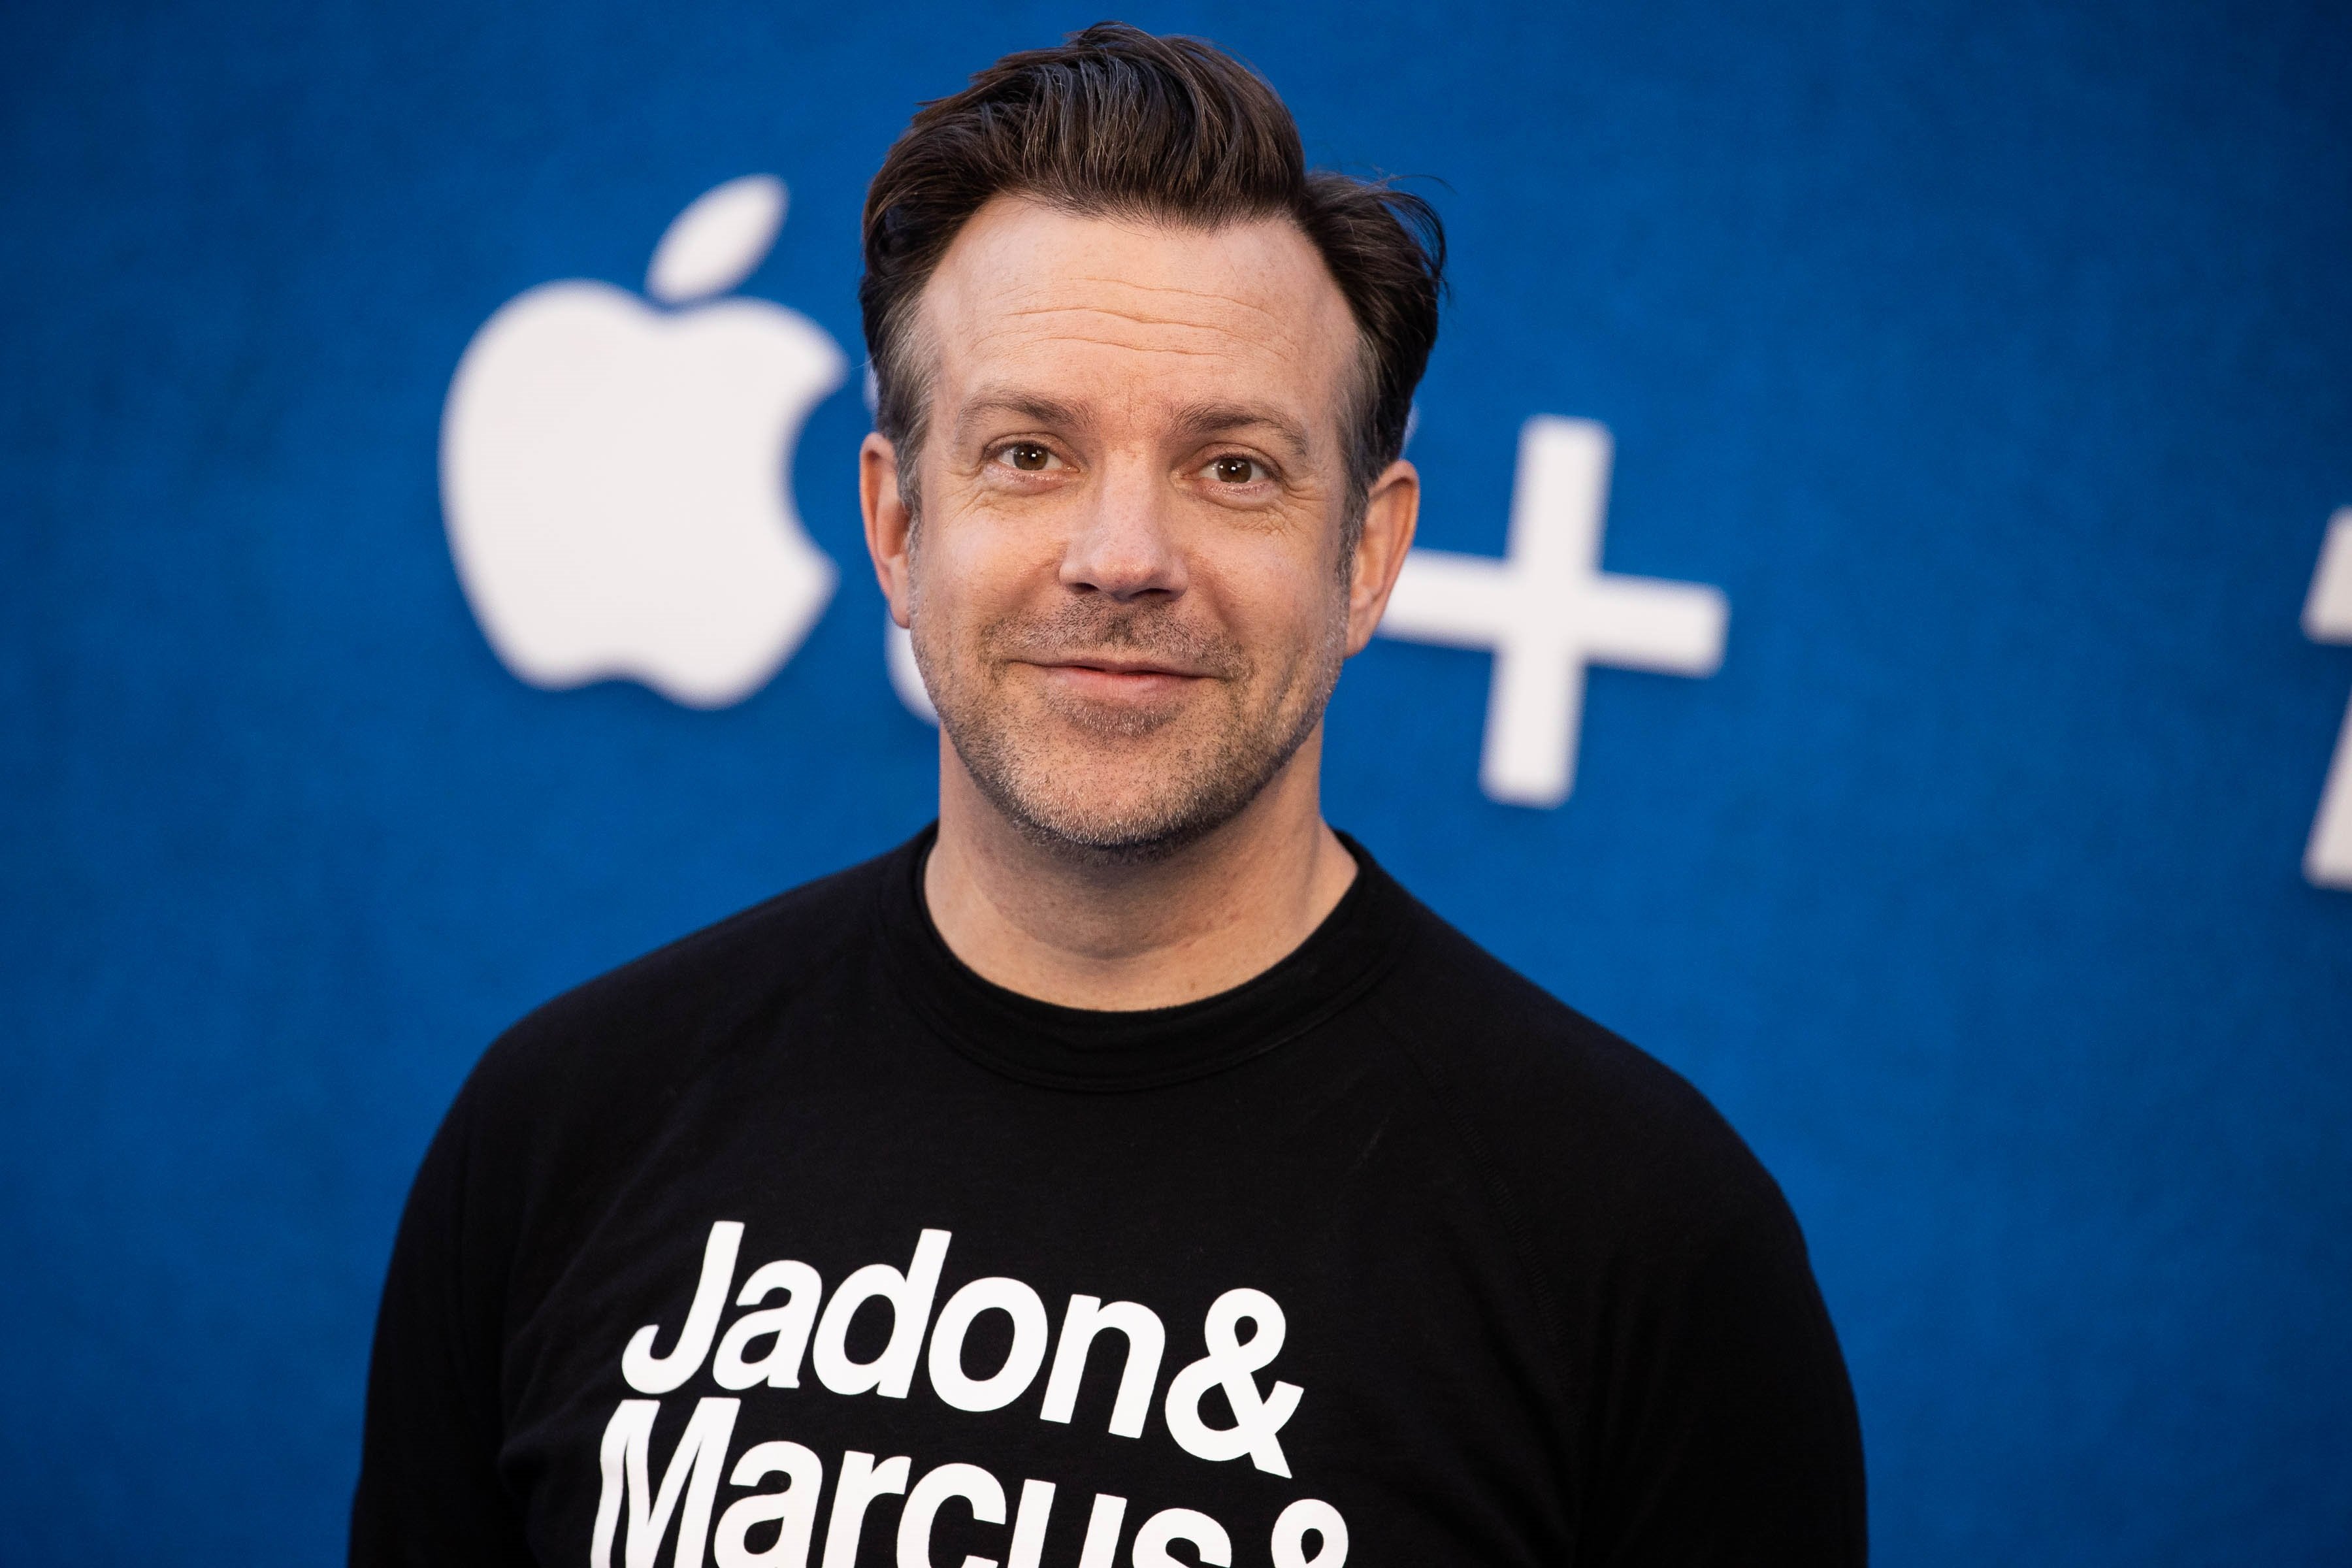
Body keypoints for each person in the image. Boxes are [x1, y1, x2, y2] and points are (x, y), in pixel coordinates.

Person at [353, 23, 1865, 1567]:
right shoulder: (563, 1130)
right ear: (894, 524)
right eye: (1027, 453)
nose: (1124, 555)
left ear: (1368, 554)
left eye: (1234, 469)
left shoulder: (1646, 1246)